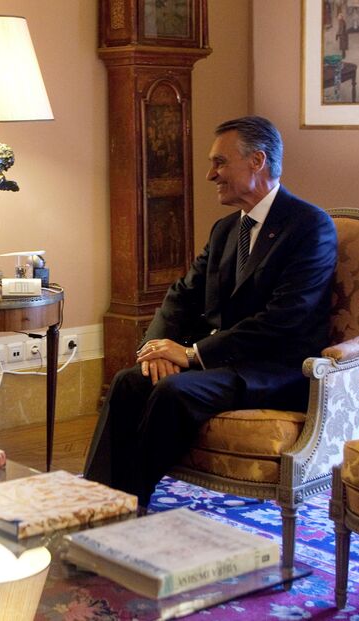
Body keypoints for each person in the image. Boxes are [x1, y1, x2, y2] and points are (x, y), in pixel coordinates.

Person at [84, 116, 337, 507]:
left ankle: (127, 504)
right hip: (223, 362)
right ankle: (95, 501)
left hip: (274, 369)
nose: (210, 174)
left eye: (220, 162)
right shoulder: (226, 230)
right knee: (130, 381)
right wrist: (155, 349)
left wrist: (190, 354)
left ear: (257, 161)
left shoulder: (309, 226)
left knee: (172, 391)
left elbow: (283, 319)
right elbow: (182, 295)